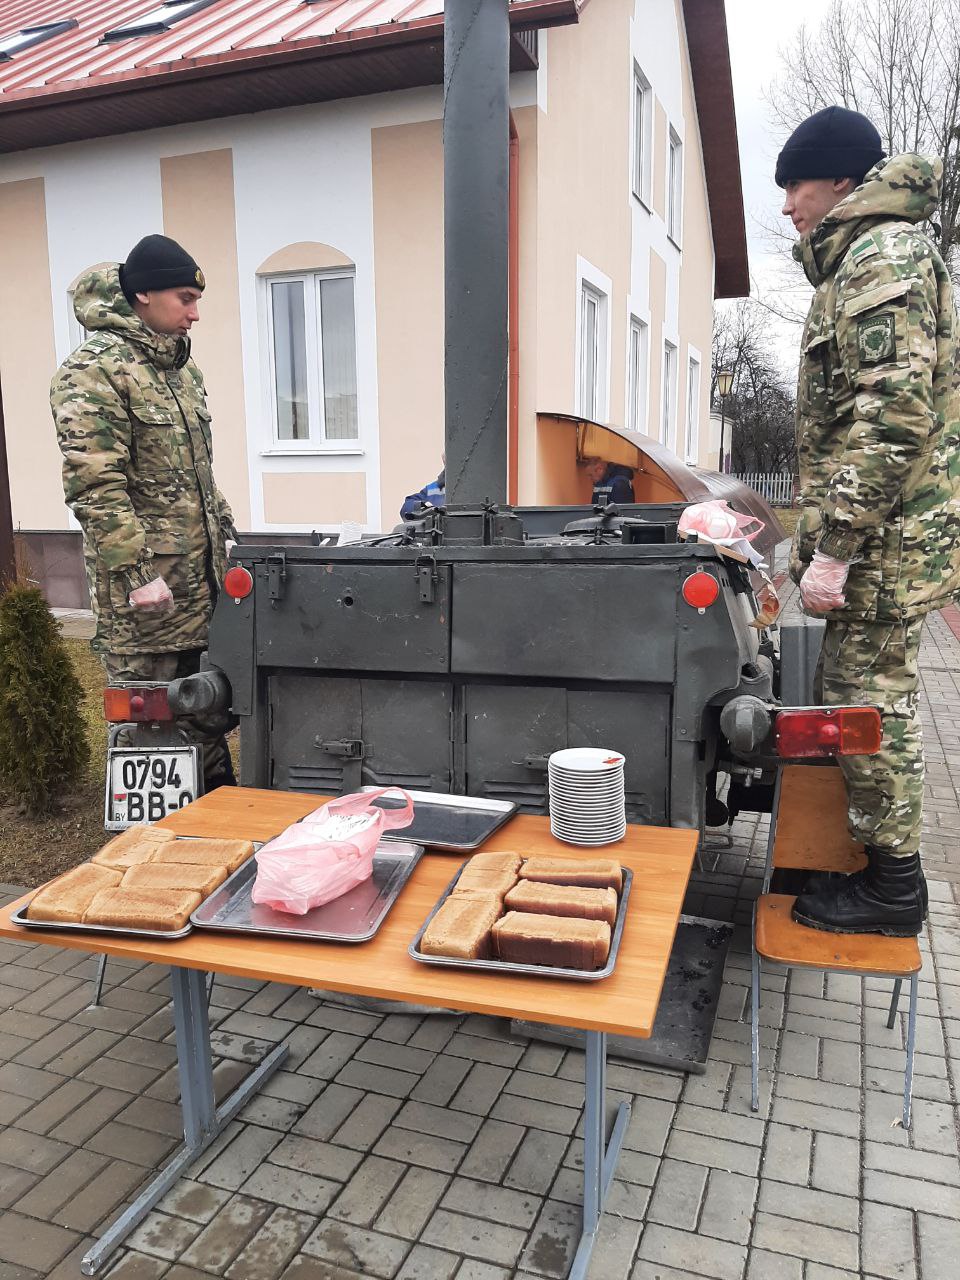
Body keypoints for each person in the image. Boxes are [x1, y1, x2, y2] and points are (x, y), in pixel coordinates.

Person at [778, 106, 960, 936]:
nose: (789, 204)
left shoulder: (881, 256)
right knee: (858, 700)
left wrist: (838, 547)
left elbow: (893, 417)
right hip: (888, 541)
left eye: (798, 185)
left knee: (869, 708)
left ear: (844, 182)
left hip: (887, 546)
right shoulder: (864, 258)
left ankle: (893, 888)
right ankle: (866, 861)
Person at [50, 235, 237, 791]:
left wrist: (228, 535)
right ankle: (154, 838)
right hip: (146, 598)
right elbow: (94, 484)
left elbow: (198, 474)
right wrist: (137, 575)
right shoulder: (93, 371)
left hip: (199, 586)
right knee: (150, 728)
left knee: (208, 716)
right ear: (144, 295)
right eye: (185, 299)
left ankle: (216, 822)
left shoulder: (179, 371)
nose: (195, 314)